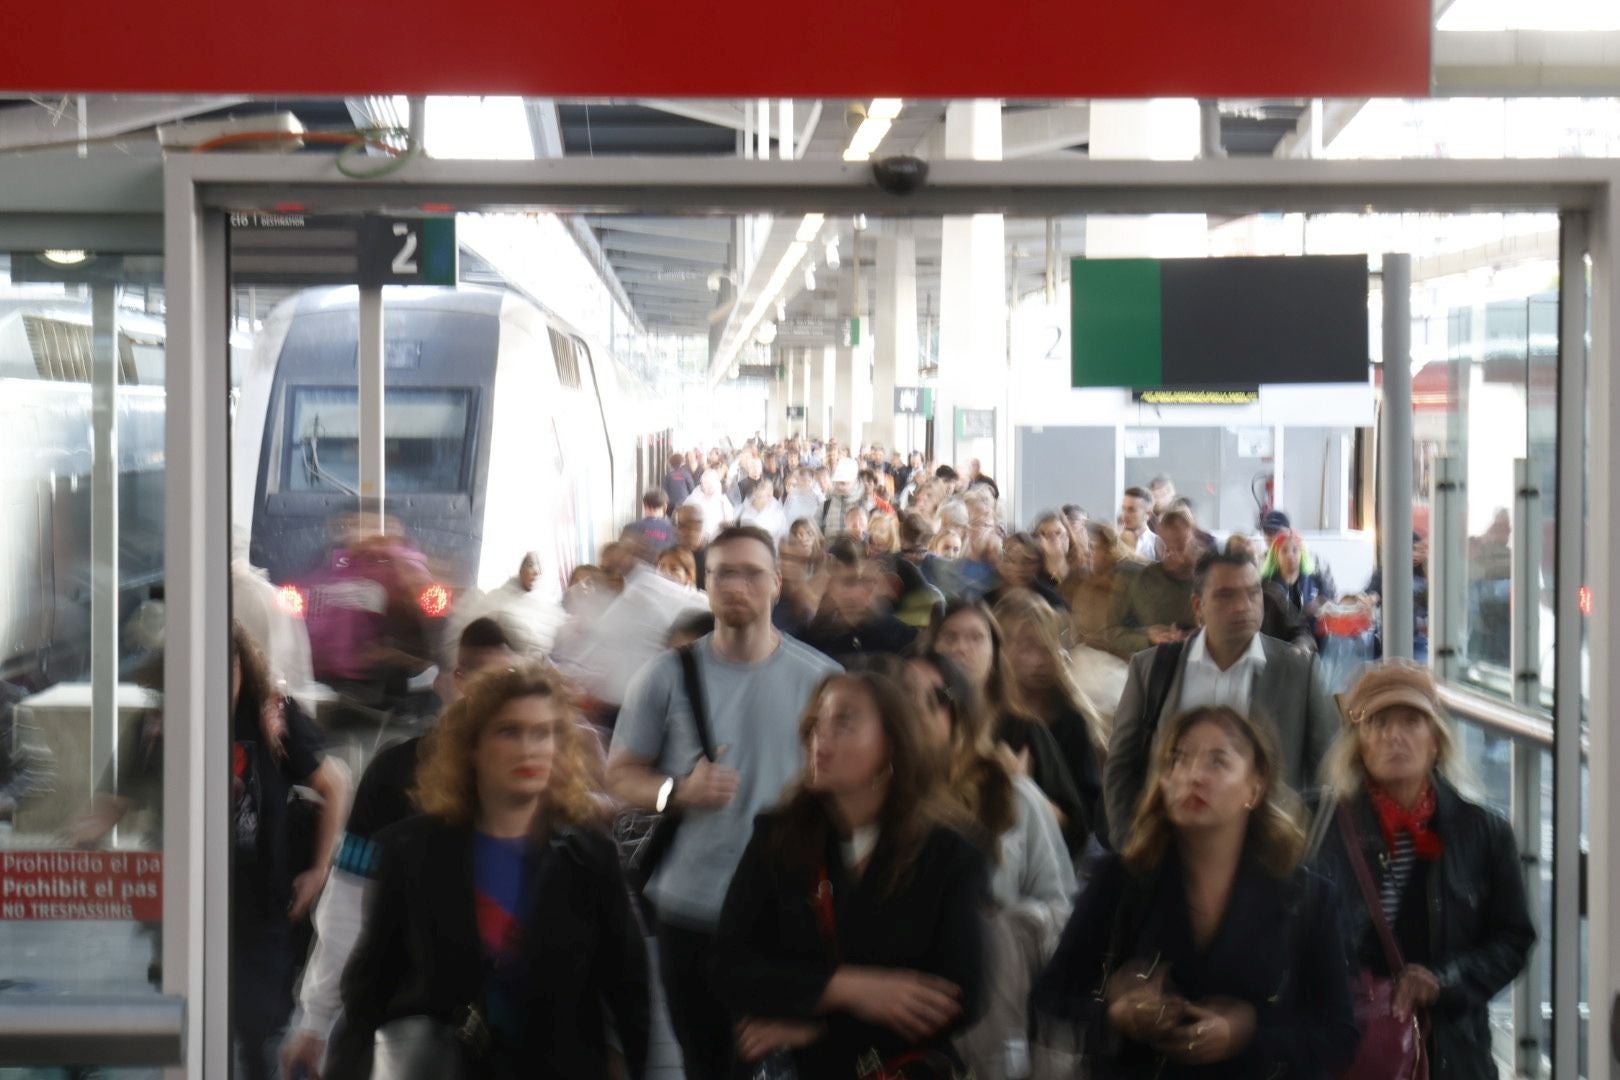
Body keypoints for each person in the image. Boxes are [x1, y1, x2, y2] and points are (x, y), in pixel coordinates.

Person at [326, 663, 649, 1079]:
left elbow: (628, 989)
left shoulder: (589, 857)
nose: (529, 749)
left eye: (543, 732)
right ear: (473, 747)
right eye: (509, 731)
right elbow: (369, 988)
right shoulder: (409, 852)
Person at [606, 525, 842, 1079]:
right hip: (691, 906)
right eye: (723, 573)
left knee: (784, 1062)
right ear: (705, 585)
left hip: (788, 910)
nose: (737, 585)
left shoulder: (822, 680)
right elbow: (621, 775)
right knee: (706, 1061)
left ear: (777, 583)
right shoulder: (664, 676)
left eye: (752, 573)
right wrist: (676, 791)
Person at [1033, 705, 1359, 1077]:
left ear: (1256, 786)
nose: (1193, 776)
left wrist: (1244, 1037)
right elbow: (1051, 997)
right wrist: (1115, 1016)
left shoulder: (1306, 895)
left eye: (1218, 762)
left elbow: (1338, 1034)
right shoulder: (1121, 880)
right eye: (1178, 760)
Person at [714, 670, 989, 1078]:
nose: (819, 739)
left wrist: (819, 1029)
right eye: (815, 724)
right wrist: (846, 988)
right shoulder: (780, 836)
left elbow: (956, 1002)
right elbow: (730, 968)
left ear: (894, 743)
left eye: (843, 723)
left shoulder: (948, 853)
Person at [282, 618, 518, 1078]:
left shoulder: (535, 782)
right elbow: (347, 904)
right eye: (484, 684)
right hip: (399, 1011)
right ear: (455, 683)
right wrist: (314, 1021)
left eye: (506, 685)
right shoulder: (392, 776)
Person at [1310, 661, 1534, 1079]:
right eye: (1378, 722)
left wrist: (1445, 981)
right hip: (1349, 1049)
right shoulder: (1318, 824)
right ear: (1358, 742)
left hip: (1451, 1053)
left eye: (1412, 721)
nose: (1394, 736)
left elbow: (1513, 939)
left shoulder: (1483, 831)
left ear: (1436, 741)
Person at [902, 652, 1077, 1078]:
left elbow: (1061, 908)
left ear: (963, 707)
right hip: (903, 1016)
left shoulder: (1012, 795)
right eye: (905, 695)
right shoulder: (874, 797)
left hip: (998, 1012)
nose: (920, 708)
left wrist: (1000, 930)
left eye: (939, 696)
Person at [1104, 550, 1340, 849]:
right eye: (1226, 595)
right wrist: (1128, 842)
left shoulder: (1297, 673)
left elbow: (1331, 772)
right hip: (1170, 850)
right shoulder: (1152, 670)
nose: (1243, 606)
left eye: (1253, 593)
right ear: (1197, 606)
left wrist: (1304, 850)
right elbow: (1120, 765)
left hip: (1266, 854)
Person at [221, 623, 348, 1080]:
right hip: (196, 905)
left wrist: (318, 870)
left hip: (263, 905)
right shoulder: (172, 715)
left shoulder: (270, 714)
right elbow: (130, 784)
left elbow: (335, 785)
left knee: (258, 1031)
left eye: (227, 664)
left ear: (242, 666)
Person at [929, 600, 1089, 858]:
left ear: (994, 653)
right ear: (932, 650)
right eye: (950, 638)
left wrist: (1022, 791)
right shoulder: (917, 724)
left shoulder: (1023, 729)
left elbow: (1072, 826)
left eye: (976, 638)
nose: (961, 648)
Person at [995, 590, 1108, 846]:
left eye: (1047, 648)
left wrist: (1027, 794)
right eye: (1026, 648)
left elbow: (1087, 813)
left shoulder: (1072, 720)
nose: (1038, 661)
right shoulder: (990, 711)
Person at [1097, 507, 1201, 660]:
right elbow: (1111, 634)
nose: (1171, 554)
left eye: (1179, 547)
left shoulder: (1207, 580)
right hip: (1150, 665)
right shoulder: (1134, 577)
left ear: (1193, 543)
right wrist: (1148, 637)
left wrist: (1196, 636)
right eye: (1165, 546)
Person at [799, 537, 918, 661]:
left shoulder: (898, 637)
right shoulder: (810, 640)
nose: (855, 594)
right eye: (848, 582)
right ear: (828, 585)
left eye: (866, 582)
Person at [1069, 522, 1142, 648]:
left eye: (1093, 547)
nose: (1087, 553)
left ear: (1108, 550)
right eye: (1086, 547)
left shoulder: (1125, 583)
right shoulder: (1082, 583)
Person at [1260, 528, 1337, 644]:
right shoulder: (1266, 585)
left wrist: (1321, 606)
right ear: (1276, 556)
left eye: (1295, 550)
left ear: (1302, 554)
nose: (1290, 555)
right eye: (1284, 551)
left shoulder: (1316, 580)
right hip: (1278, 646)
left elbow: (1331, 604)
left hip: (1314, 644)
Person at [987, 531, 1069, 612]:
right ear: (998, 563)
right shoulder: (986, 603)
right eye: (1010, 560)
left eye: (1028, 561)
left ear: (1039, 564)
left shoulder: (1054, 603)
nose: (1018, 568)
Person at [620, 488, 677, 558]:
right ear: (665, 507)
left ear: (645, 506)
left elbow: (621, 554)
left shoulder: (629, 528)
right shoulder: (675, 530)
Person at [684, 469, 736, 543]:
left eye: (711, 484)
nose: (709, 487)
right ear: (702, 485)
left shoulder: (723, 501)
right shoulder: (694, 498)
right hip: (698, 540)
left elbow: (729, 522)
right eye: (706, 484)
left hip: (718, 540)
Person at [820, 458, 864, 536]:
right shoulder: (827, 503)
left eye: (843, 483)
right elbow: (816, 528)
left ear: (855, 482)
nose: (839, 487)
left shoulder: (863, 504)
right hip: (830, 547)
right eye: (837, 483)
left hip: (854, 547)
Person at [1119, 486, 1163, 561]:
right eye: (1123, 509)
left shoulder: (1157, 544)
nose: (1125, 515)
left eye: (1131, 510)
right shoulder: (1115, 540)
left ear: (1148, 514)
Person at [675, 503, 710, 591]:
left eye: (689, 525)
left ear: (701, 525)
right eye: (679, 526)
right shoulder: (673, 556)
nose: (683, 531)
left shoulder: (715, 558)